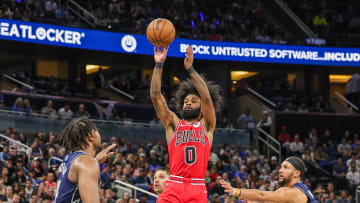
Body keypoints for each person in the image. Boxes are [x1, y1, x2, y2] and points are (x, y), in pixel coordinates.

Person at [150, 45, 223, 203]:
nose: (188, 103)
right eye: (186, 101)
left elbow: (206, 96)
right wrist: (159, 64)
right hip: (174, 184)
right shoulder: (174, 124)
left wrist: (190, 69)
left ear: (201, 107)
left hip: (197, 187)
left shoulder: (207, 125)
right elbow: (156, 96)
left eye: (193, 101)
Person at [54, 117, 116, 203]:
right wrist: (92, 163)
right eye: (97, 130)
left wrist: (95, 161)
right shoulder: (86, 163)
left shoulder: (70, 158)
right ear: (90, 136)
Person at [220, 156, 317, 203]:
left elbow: (261, 195)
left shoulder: (294, 192)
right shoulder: (289, 191)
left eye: (286, 167)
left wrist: (235, 191)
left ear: (297, 173)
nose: (280, 170)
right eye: (281, 167)